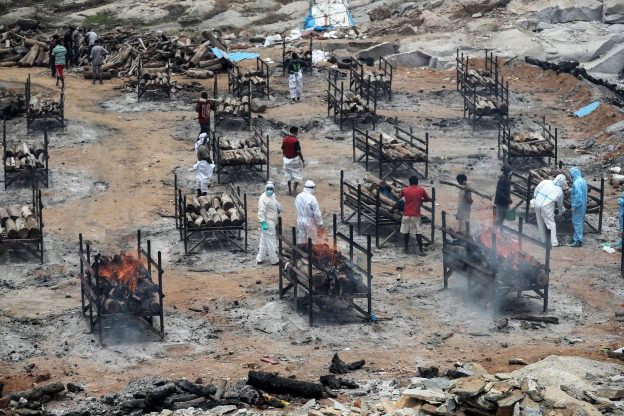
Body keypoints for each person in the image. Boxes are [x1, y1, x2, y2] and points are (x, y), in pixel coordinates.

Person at [398, 176, 431, 256]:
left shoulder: (405, 190)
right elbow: (427, 198)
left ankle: (406, 249)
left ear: (410, 182)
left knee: (406, 233)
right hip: (416, 215)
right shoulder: (421, 190)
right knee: (418, 233)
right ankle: (421, 250)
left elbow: (399, 197)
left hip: (406, 214)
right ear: (417, 182)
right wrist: (421, 200)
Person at [532, 174, 567, 247]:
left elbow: (536, 189)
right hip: (547, 207)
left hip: (537, 204)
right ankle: (554, 242)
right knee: (551, 224)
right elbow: (560, 205)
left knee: (540, 222)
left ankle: (543, 240)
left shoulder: (545, 181)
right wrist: (562, 210)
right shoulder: (559, 190)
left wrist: (535, 198)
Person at [256, 181, 282, 266]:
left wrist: (278, 208)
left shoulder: (272, 196)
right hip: (267, 222)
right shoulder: (263, 198)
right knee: (271, 241)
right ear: (265, 189)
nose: (270, 190)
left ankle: (260, 258)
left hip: (272, 221)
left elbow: (276, 204)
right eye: (268, 189)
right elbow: (261, 212)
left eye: (271, 189)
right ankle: (275, 260)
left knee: (263, 241)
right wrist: (263, 222)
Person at [294, 180, 323, 244]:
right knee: (312, 241)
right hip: (310, 222)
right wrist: (319, 223)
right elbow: (316, 212)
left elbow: (296, 207)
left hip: (300, 220)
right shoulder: (312, 198)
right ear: (312, 188)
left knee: (302, 240)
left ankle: (301, 250)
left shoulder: (298, 196)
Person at [282, 126, 304, 195]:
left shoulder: (285, 139)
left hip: (286, 160)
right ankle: (294, 189)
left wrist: (284, 156)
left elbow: (283, 150)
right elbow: (299, 152)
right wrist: (302, 160)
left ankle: (289, 190)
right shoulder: (295, 141)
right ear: (295, 132)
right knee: (297, 174)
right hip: (295, 161)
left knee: (288, 175)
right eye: (297, 132)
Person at [569, 166, 588, 247]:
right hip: (583, 205)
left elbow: (578, 196)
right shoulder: (582, 181)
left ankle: (578, 241)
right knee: (579, 222)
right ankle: (575, 238)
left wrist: (574, 206)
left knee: (577, 222)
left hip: (578, 206)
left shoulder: (576, 183)